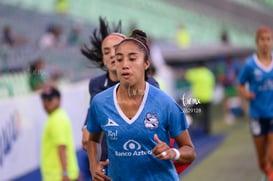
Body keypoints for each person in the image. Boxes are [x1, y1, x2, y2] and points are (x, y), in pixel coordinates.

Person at [86, 29, 196, 181]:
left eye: (132, 59)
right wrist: (93, 167)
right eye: (119, 59)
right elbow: (92, 139)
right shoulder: (100, 102)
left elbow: (189, 150)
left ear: (146, 63)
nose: (125, 65)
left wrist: (173, 153)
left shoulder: (165, 103)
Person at [80, 17, 159, 180]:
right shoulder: (96, 85)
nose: (111, 55)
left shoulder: (149, 84)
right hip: (110, 165)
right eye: (106, 52)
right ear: (103, 58)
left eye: (116, 49)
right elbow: (93, 113)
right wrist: (86, 128)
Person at [237, 27, 273, 181]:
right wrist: (245, 93)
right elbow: (240, 83)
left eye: (268, 39)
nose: (265, 43)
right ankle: (265, 169)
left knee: (271, 155)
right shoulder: (250, 64)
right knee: (262, 159)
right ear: (257, 42)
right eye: (262, 39)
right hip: (257, 115)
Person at [40, 86, 79, 181]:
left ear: (59, 100)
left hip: (58, 176)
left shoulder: (56, 119)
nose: (46, 103)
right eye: (44, 99)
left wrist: (65, 173)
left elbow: (61, 147)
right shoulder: (58, 116)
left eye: (50, 99)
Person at [185, 61, 215, 135]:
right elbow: (212, 84)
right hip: (207, 97)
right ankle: (207, 130)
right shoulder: (209, 73)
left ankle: (188, 128)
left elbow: (186, 76)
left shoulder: (195, 73)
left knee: (191, 112)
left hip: (198, 98)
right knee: (206, 114)